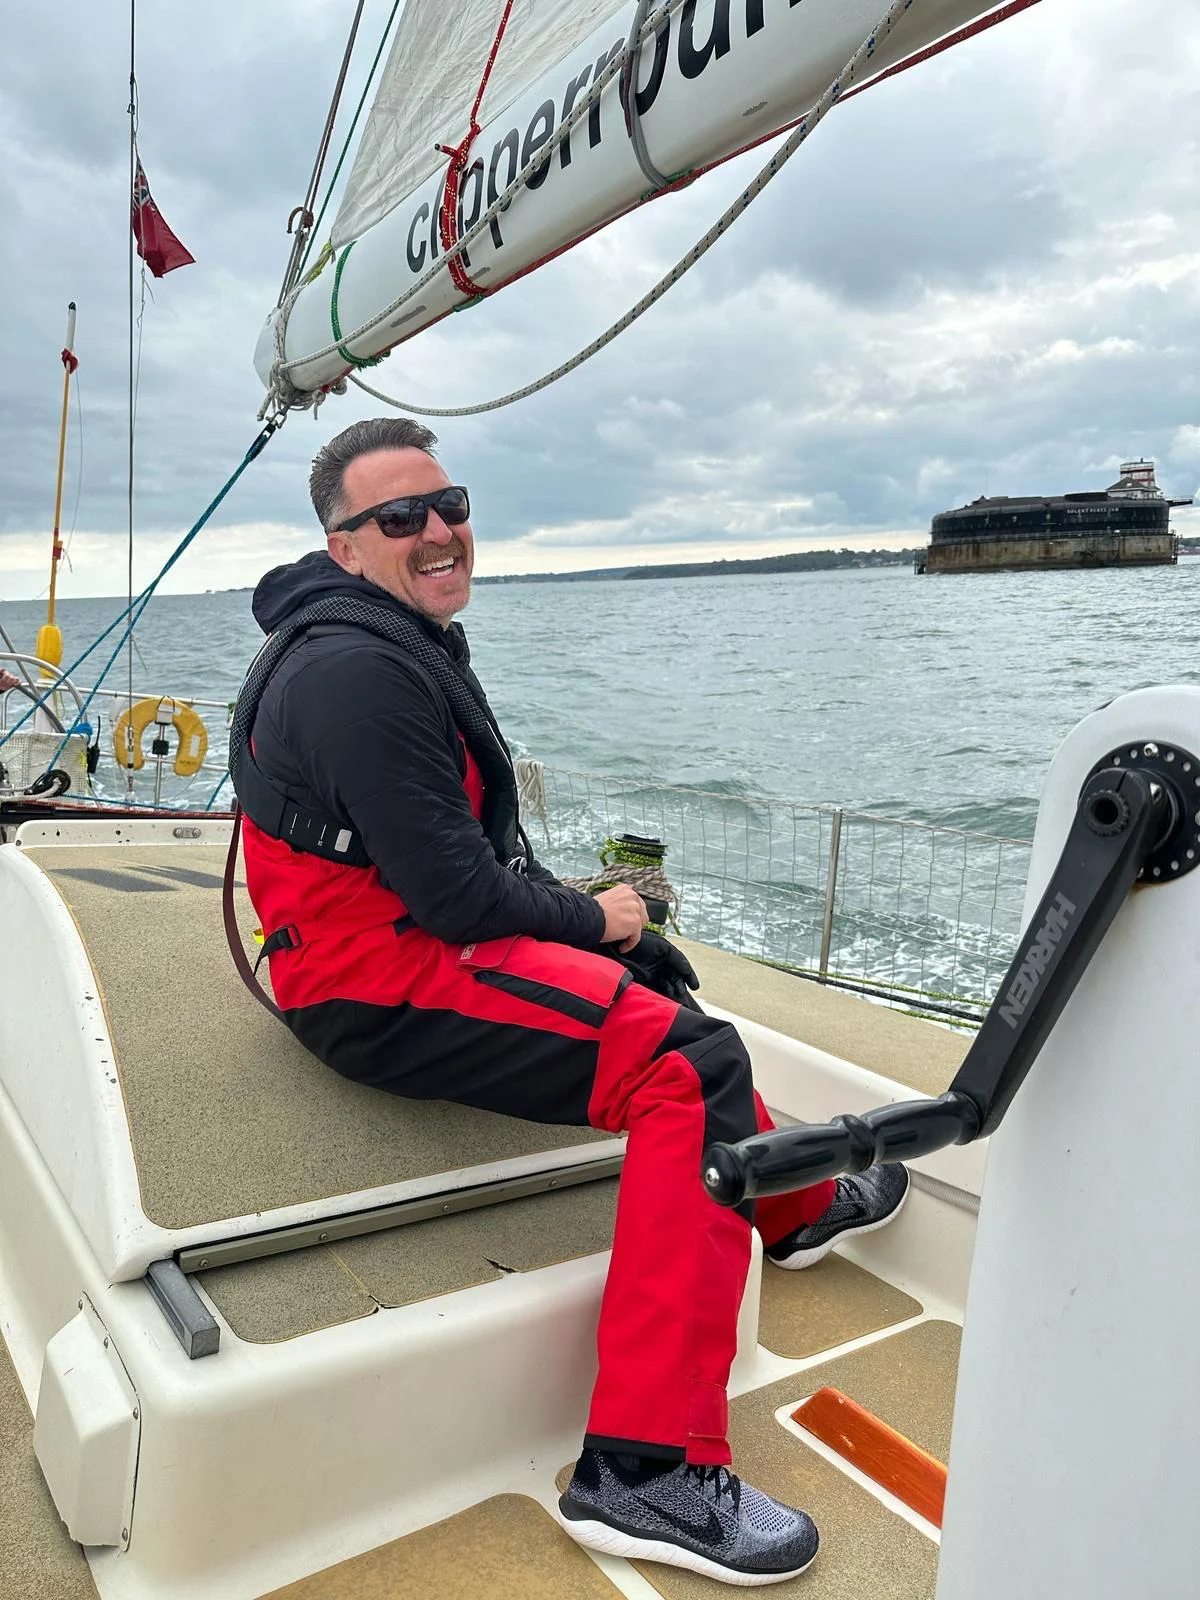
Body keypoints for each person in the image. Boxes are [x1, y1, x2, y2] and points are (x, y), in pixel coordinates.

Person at [231, 418, 909, 1586]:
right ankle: (645, 1469)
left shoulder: (382, 635)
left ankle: (792, 1214)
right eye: (400, 517)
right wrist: (603, 919)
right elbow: (456, 895)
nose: (438, 530)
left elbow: (462, 860)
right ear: (344, 545)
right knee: (686, 1065)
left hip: (394, 936)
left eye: (449, 503)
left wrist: (603, 933)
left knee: (668, 1004)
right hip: (370, 978)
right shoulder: (357, 672)